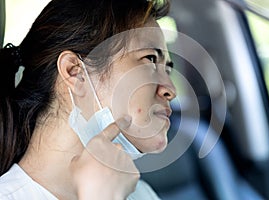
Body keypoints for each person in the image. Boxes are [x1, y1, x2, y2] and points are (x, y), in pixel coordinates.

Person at [0, 0, 176, 199]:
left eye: (168, 70)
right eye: (150, 59)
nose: (171, 90)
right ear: (75, 72)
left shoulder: (142, 194)